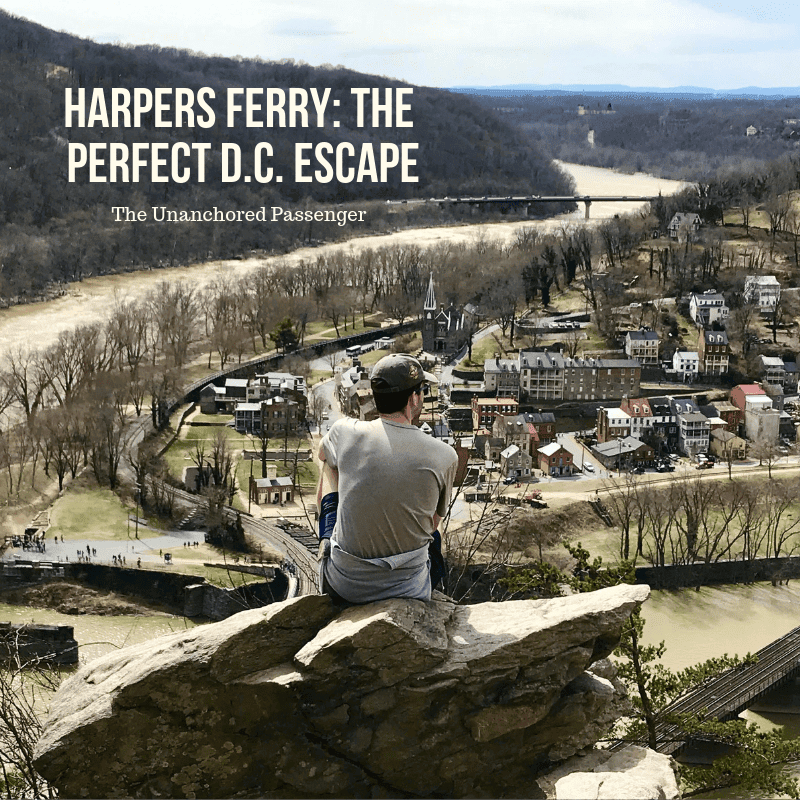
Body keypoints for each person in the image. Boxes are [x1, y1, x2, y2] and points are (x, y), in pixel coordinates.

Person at [316, 353, 458, 604]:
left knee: (329, 461)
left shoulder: (344, 431)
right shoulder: (444, 455)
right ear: (413, 398)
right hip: (409, 591)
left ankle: (326, 537)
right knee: (433, 535)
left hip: (342, 584)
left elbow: (321, 454)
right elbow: (431, 525)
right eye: (422, 390)